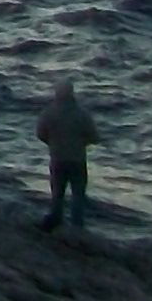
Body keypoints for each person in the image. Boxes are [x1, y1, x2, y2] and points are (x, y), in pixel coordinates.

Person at [36, 81, 101, 230]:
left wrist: (52, 143)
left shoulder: (48, 112)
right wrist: (82, 143)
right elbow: (95, 137)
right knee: (78, 196)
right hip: (77, 159)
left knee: (57, 194)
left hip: (57, 158)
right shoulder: (82, 113)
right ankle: (77, 228)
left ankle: (55, 222)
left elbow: (40, 134)